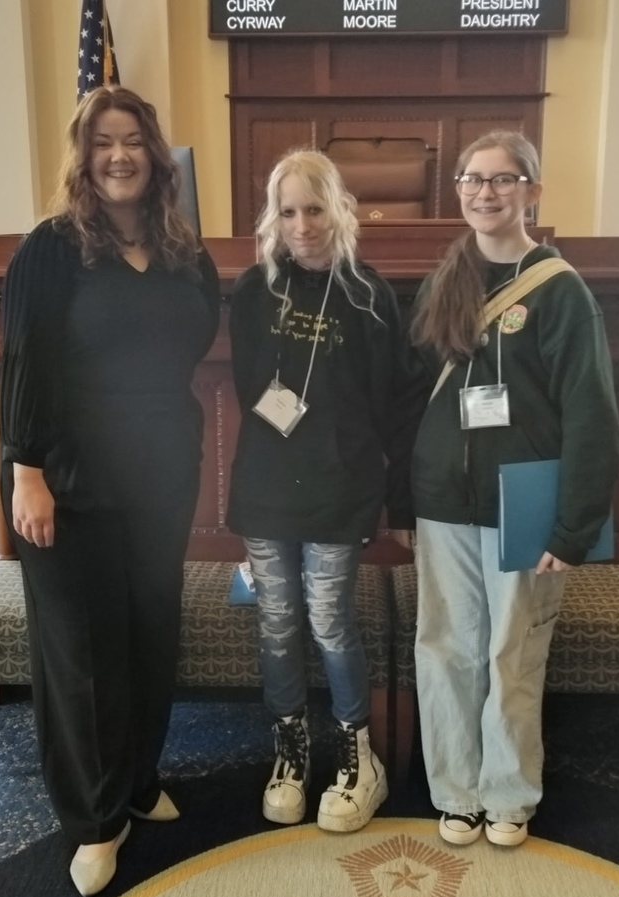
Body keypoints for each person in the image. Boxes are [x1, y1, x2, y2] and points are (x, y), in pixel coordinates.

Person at [0, 86, 220, 896]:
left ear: (156, 156)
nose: (119, 155)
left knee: (147, 632)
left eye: (132, 141)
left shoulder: (182, 250)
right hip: (66, 475)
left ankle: (134, 781)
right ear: (83, 157)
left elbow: (194, 341)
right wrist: (27, 472)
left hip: (161, 474)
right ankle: (94, 821)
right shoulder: (51, 249)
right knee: (82, 651)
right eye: (103, 143)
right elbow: (22, 361)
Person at [408, 130, 619, 848]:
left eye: (502, 180)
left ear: (531, 190)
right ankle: (456, 790)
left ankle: (506, 793)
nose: (484, 192)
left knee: (509, 652)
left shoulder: (559, 291)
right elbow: (414, 395)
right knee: (444, 649)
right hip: (442, 504)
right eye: (472, 179)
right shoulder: (448, 279)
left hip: (520, 508)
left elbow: (592, 415)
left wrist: (573, 527)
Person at [226, 149, 427, 833]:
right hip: (264, 485)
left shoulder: (368, 295)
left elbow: (395, 410)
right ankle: (289, 751)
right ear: (272, 218)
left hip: (339, 488)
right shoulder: (255, 291)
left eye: (314, 209)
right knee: (276, 623)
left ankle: (353, 755)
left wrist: (397, 502)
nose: (301, 225)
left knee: (329, 621)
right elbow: (249, 388)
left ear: (338, 209)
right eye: (287, 211)